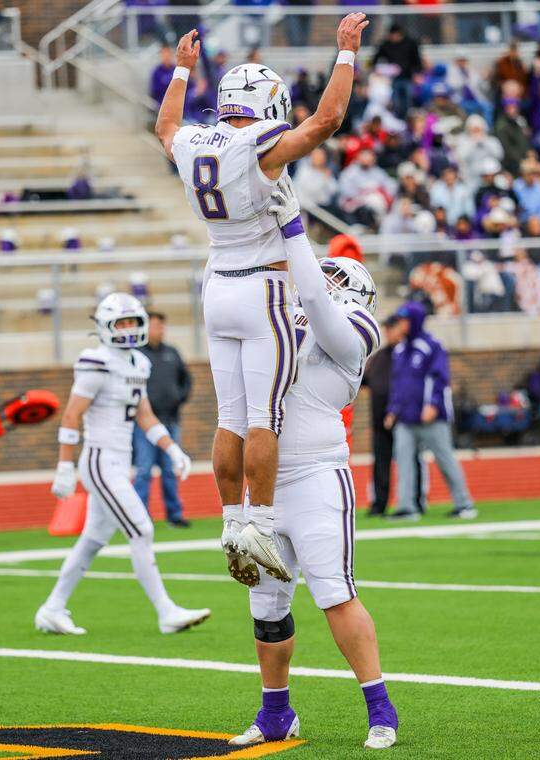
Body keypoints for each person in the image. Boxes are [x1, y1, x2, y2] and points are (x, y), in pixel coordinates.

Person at [155, 16, 369, 585]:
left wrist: (180, 70)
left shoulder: (195, 140)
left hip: (216, 284)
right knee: (262, 418)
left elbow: (165, 127)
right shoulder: (260, 143)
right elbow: (328, 120)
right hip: (262, 285)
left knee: (227, 416)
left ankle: (230, 521)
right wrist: (345, 54)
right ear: (267, 100)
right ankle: (262, 523)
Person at [225, 176, 397, 751]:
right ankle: (276, 713)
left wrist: (295, 231)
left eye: (326, 275)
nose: (312, 281)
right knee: (267, 608)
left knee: (335, 593)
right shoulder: (282, 315)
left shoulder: (354, 329)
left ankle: (380, 708)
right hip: (265, 483)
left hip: (320, 475)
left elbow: (321, 315)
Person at [39, 294, 209, 636]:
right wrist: (64, 467)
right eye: (122, 323)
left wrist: (172, 449)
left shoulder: (139, 363)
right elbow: (73, 414)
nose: (129, 330)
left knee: (93, 539)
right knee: (142, 529)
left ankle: (52, 609)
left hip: (118, 460)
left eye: (134, 322)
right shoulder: (96, 362)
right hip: (101, 459)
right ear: (105, 327)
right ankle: (166, 611)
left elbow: (144, 415)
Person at [384, 302, 476, 521]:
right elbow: (398, 385)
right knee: (404, 461)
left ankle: (464, 504)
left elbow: (439, 378)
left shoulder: (432, 345)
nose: (401, 324)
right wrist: (392, 410)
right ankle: (407, 507)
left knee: (445, 459)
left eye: (405, 320)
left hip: (431, 418)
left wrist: (433, 405)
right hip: (406, 418)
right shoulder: (400, 350)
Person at [133, 311, 193, 527]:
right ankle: (139, 516)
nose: (159, 330)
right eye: (154, 326)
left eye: (161, 326)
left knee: (170, 469)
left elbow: (186, 379)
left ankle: (174, 514)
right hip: (144, 423)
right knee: (144, 469)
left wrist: (179, 397)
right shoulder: (137, 355)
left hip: (169, 419)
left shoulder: (172, 352)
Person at [361, 314, 411, 517]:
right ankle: (379, 504)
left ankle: (412, 502)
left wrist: (395, 411)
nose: (388, 334)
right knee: (381, 464)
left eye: (391, 329)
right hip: (379, 420)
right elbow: (363, 380)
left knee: (409, 463)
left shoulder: (406, 355)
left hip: (402, 420)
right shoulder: (379, 357)